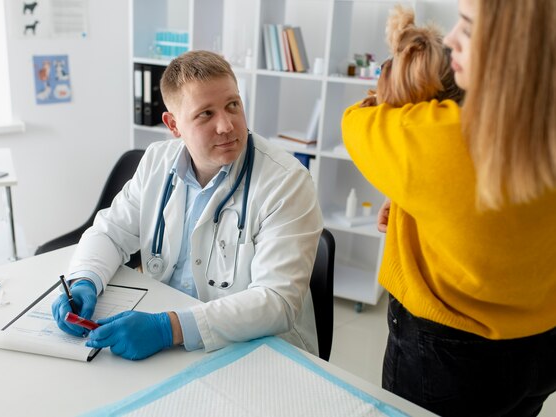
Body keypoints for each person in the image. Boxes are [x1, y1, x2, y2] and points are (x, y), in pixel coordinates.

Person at [342, 0, 556, 415]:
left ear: (516, 48)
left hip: (451, 354)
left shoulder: (440, 135)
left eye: (470, 28)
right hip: (544, 342)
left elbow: (355, 121)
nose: (453, 38)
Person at [52, 50, 323, 360]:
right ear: (173, 124)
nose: (227, 126)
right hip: (172, 335)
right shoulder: (157, 160)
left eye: (233, 105)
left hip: (259, 348)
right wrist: (85, 278)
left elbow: (277, 302)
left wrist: (169, 329)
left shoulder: (287, 182)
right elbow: (110, 232)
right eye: (205, 114)